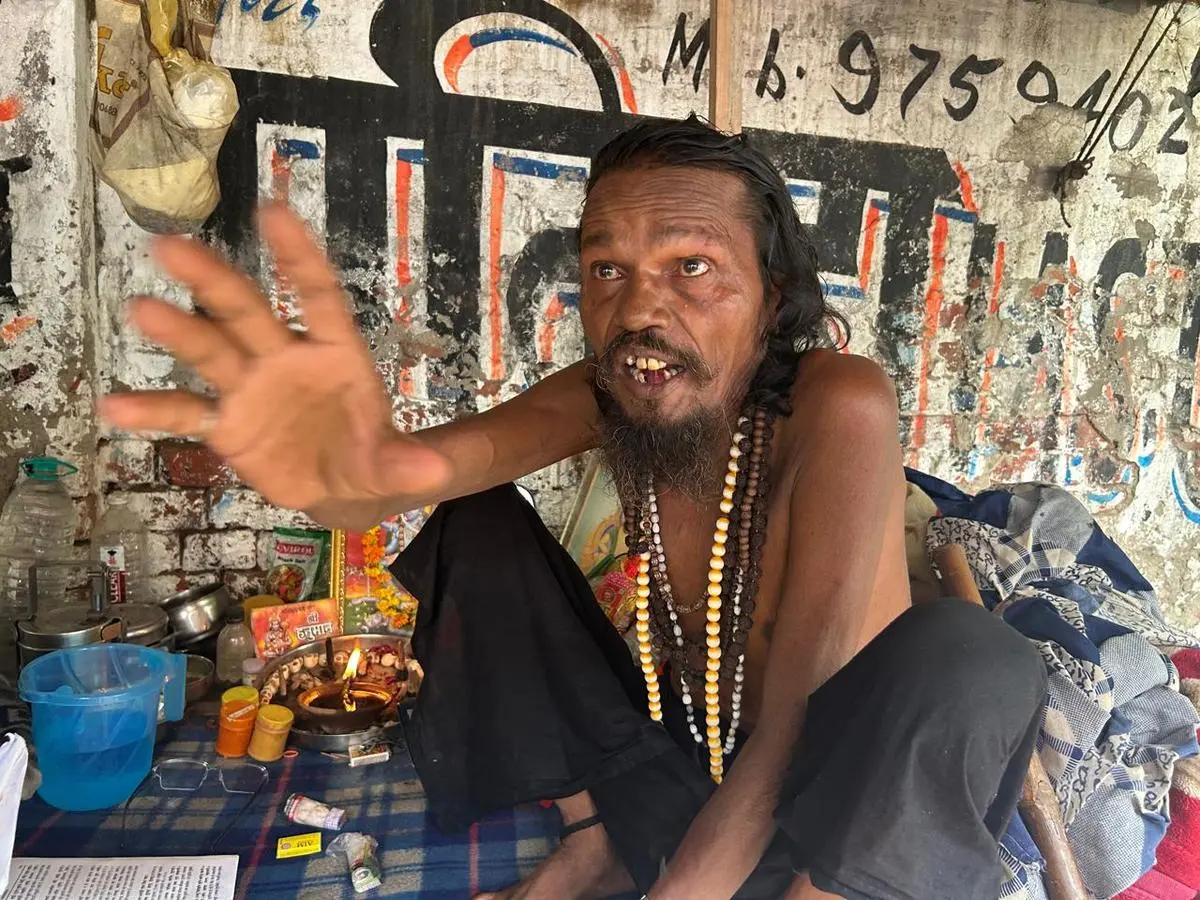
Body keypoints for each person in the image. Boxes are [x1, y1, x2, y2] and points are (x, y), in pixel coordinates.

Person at [101, 116, 1046, 900]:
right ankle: (593, 844)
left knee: (968, 657)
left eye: (693, 268)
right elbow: (408, 476)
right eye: (608, 271)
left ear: (772, 300)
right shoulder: (610, 395)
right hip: (680, 773)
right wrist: (328, 465)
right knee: (475, 524)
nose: (641, 308)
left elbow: (795, 725)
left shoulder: (836, 405)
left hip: (822, 830)